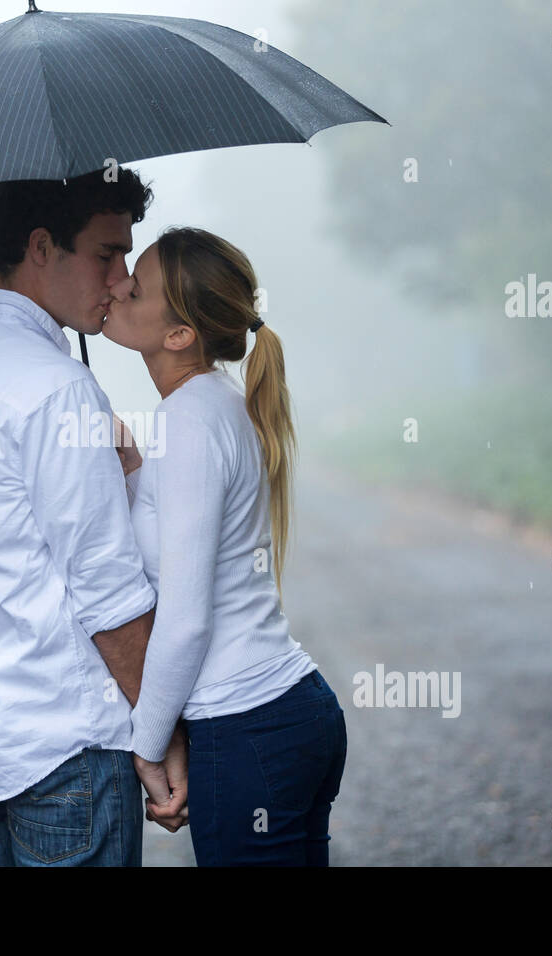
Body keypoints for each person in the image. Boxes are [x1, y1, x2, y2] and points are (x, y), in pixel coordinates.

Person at [0, 167, 187, 866]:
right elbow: (108, 595)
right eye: (107, 254)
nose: (120, 279)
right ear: (42, 248)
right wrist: (163, 735)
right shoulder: (56, 390)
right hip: (65, 746)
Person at [101, 226, 348, 866]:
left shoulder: (189, 420)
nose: (120, 285)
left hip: (247, 729)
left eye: (139, 286)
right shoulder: (215, 405)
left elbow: (185, 623)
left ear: (180, 335)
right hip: (288, 714)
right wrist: (133, 467)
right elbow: (179, 527)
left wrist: (147, 746)